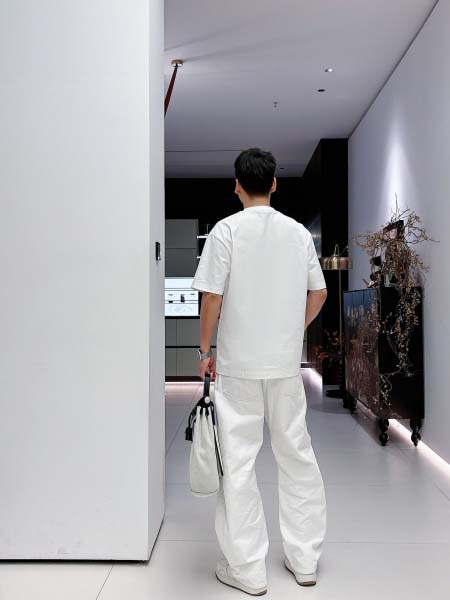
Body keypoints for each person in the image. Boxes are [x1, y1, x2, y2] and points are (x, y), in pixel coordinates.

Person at [191, 147, 328, 596]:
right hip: (284, 365)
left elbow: (212, 297)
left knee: (239, 463)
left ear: (236, 185)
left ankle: (248, 570)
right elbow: (319, 293)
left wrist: (204, 350)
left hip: (239, 366)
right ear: (274, 183)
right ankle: (304, 560)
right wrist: (292, 331)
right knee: (297, 455)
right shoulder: (297, 233)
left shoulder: (226, 231)